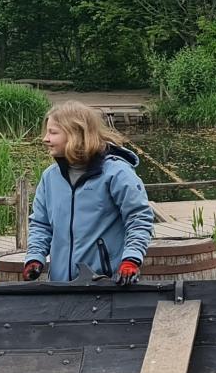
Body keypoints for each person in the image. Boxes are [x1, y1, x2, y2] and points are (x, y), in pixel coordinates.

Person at [22, 101, 154, 284]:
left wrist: (131, 259)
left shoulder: (116, 173)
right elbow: (40, 224)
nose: (45, 138)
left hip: (106, 285)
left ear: (76, 134)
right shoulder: (50, 177)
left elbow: (139, 218)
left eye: (53, 132)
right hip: (60, 286)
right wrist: (35, 257)